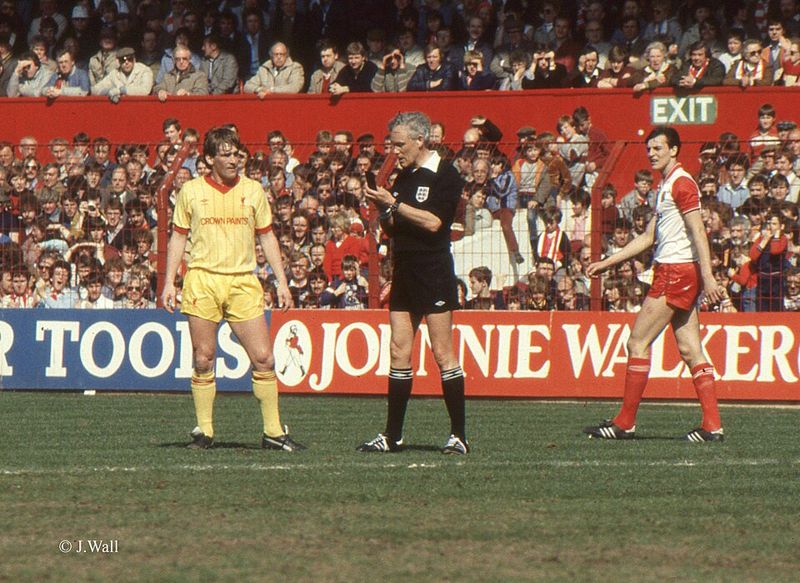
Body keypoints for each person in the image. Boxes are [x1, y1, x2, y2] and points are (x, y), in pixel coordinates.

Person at [161, 126, 305, 452]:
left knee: (264, 358)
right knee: (203, 357)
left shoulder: (254, 191)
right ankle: (205, 431)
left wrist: (282, 281)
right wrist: (169, 281)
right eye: (224, 154)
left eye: (236, 154)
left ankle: (272, 432)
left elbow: (267, 236)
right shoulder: (191, 191)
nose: (232, 160)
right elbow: (179, 237)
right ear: (209, 158)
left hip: (243, 281)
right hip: (202, 279)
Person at [583, 126, 725, 443]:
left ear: (674, 149)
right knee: (690, 349)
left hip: (675, 272)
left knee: (637, 343)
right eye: (649, 148)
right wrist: (608, 262)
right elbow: (649, 237)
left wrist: (710, 275)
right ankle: (712, 425)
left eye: (658, 147)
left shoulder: (682, 183)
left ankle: (625, 422)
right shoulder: (667, 185)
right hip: (679, 272)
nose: (652, 153)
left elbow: (699, 231)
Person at [361, 111, 468, 455]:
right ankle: (392, 436)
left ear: (420, 140)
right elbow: (394, 225)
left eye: (400, 144)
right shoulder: (402, 176)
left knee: (442, 353)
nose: (395, 151)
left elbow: (435, 222)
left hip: (433, 271)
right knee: (398, 351)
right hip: (403, 269)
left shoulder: (446, 174)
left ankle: (458, 436)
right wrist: (382, 208)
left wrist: (394, 203)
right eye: (392, 144)